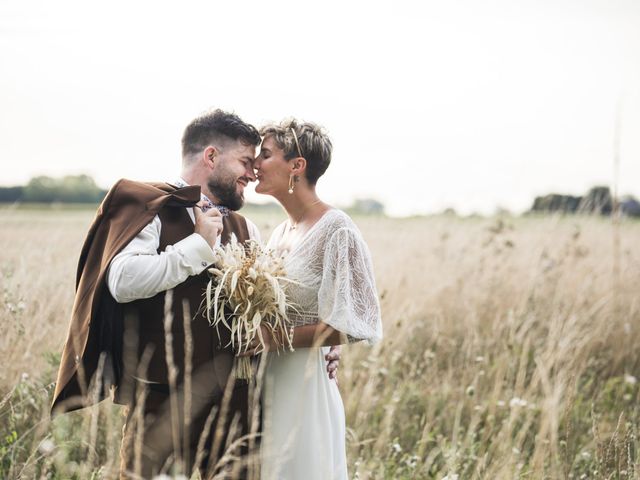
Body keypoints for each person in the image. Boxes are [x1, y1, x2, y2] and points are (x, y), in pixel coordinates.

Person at [50, 109, 341, 479]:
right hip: (159, 403)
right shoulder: (149, 208)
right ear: (211, 157)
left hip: (237, 407)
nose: (252, 174)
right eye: (245, 161)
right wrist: (198, 246)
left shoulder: (246, 226)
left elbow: (269, 303)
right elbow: (121, 282)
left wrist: (324, 341)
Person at [250, 119, 383, 479]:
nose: (255, 163)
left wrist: (277, 339)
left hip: (305, 387)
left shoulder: (336, 229)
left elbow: (357, 322)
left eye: (265, 154)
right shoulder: (279, 232)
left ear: (297, 165)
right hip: (269, 383)